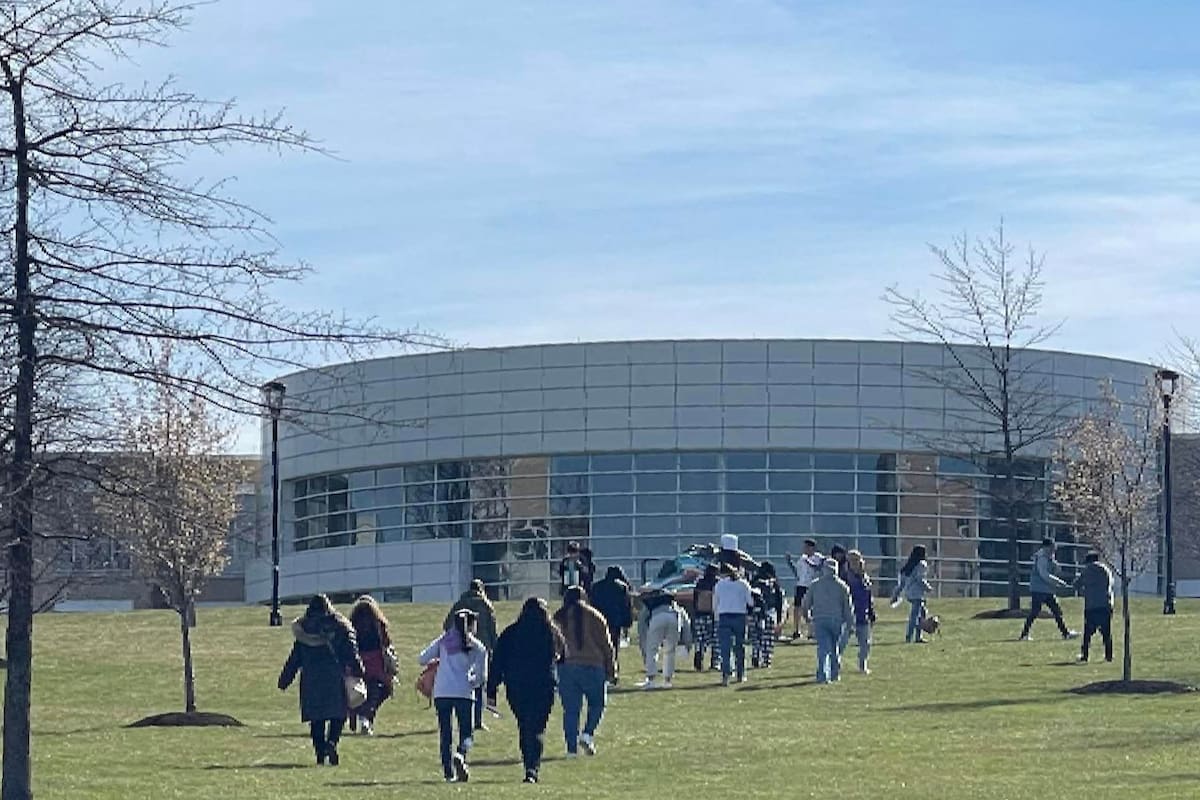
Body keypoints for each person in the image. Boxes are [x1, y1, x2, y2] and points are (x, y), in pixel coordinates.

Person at [277, 594, 365, 766]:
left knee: (316, 718)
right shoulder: (340, 626)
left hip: (312, 679)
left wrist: (284, 679)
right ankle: (331, 743)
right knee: (338, 715)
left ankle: (320, 754)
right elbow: (351, 651)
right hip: (335, 676)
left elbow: (295, 658)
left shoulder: (304, 629)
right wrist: (359, 669)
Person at [487, 598, 567, 784]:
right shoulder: (551, 633)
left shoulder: (511, 633)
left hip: (517, 686)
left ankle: (528, 765)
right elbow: (564, 656)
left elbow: (498, 662)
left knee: (524, 726)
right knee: (537, 727)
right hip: (543, 686)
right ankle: (533, 767)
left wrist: (492, 689)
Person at [419, 609, 488, 783]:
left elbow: (422, 658)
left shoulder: (444, 641)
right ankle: (461, 754)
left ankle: (448, 773)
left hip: (442, 692)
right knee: (467, 733)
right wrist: (472, 682)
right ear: (472, 625)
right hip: (464, 692)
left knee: (445, 733)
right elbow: (481, 677)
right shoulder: (477, 647)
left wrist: (437, 662)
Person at [553, 586, 616, 757]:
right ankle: (587, 734)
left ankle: (571, 749)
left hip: (566, 667)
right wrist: (611, 668)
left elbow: (554, 645)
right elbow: (606, 644)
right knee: (597, 704)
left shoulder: (559, 617)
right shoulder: (594, 615)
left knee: (571, 710)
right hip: (592, 665)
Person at [445, 579, 499, 731]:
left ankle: (462, 718)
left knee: (462, 683)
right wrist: (495, 649)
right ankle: (477, 720)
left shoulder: (459, 605)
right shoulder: (486, 605)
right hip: (482, 648)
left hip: (460, 648)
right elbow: (492, 630)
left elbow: (446, 625)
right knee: (479, 684)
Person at [800, 559, 854, 684]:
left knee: (823, 648)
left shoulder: (815, 585)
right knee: (834, 647)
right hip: (836, 620)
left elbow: (806, 604)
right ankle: (834, 674)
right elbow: (847, 607)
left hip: (819, 619)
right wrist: (850, 624)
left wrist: (808, 619)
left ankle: (823, 675)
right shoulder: (842, 586)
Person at [348, 595, 394, 736]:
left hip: (358, 661)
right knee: (380, 691)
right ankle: (366, 718)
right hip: (376, 663)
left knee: (359, 692)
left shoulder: (351, 624)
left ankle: (359, 714)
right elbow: (386, 643)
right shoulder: (379, 623)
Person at [1019, 538, 1079, 641]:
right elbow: (1044, 575)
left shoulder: (1048, 557)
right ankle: (1024, 635)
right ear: (1046, 547)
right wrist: (1058, 582)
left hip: (1047, 590)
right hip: (1039, 589)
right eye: (1052, 548)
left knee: (1056, 611)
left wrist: (1055, 566)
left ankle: (1065, 633)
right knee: (1035, 612)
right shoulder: (1042, 558)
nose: (1053, 550)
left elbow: (1055, 570)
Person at [637, 589, 690, 689]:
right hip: (674, 618)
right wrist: (687, 643)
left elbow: (642, 625)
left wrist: (643, 642)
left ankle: (651, 679)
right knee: (670, 651)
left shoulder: (649, 604)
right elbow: (686, 622)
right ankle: (667, 680)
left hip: (657, 618)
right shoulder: (674, 605)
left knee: (652, 650)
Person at [590, 565, 633, 678]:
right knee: (613, 646)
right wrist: (627, 622)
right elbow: (626, 606)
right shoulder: (622, 587)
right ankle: (612, 670)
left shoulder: (596, 587)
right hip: (615, 621)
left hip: (599, 619)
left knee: (599, 646)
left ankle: (600, 669)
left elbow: (592, 604)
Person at [714, 564, 754, 686]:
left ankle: (726, 674)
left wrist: (716, 617)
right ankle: (740, 674)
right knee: (739, 647)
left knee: (725, 648)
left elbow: (715, 603)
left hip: (724, 616)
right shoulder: (743, 584)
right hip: (739, 616)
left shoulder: (719, 584)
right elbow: (750, 602)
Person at [1073, 552, 1114, 663]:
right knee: (1106, 632)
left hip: (1092, 606)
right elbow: (1111, 584)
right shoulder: (1106, 570)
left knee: (1088, 633)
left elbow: (1076, 584)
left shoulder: (1087, 570)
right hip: (1106, 604)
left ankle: (1085, 655)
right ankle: (1108, 656)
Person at [846, 550, 877, 674]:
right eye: (851, 560)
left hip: (862, 615)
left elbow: (869, 596)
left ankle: (862, 665)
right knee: (841, 643)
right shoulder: (845, 576)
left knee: (865, 643)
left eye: (856, 560)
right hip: (848, 615)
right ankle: (832, 665)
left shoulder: (864, 577)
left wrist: (871, 612)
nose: (854, 563)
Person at [786, 539, 824, 640]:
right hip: (801, 585)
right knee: (797, 608)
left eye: (806, 547)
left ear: (812, 548)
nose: (804, 549)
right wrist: (790, 563)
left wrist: (808, 562)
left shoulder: (818, 557)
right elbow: (797, 573)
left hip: (812, 585)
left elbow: (818, 568)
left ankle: (813, 631)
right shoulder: (801, 558)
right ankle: (796, 630)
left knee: (810, 609)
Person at [750, 561, 783, 669]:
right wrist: (779, 619)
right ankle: (766, 659)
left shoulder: (754, 581)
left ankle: (755, 654)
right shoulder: (774, 583)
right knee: (767, 638)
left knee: (756, 637)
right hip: (770, 612)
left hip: (755, 612)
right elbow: (779, 602)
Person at [897, 545, 934, 644]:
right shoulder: (922, 564)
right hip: (917, 594)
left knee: (922, 613)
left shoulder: (910, 564)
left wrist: (897, 594)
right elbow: (920, 578)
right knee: (915, 616)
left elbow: (902, 581)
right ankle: (910, 637)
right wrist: (928, 588)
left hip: (909, 593)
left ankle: (918, 636)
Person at [691, 563, 720, 672]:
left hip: (699, 614)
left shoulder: (700, 583)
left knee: (700, 640)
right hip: (712, 615)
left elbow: (695, 599)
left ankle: (699, 659)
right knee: (715, 640)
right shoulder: (717, 583)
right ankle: (715, 662)